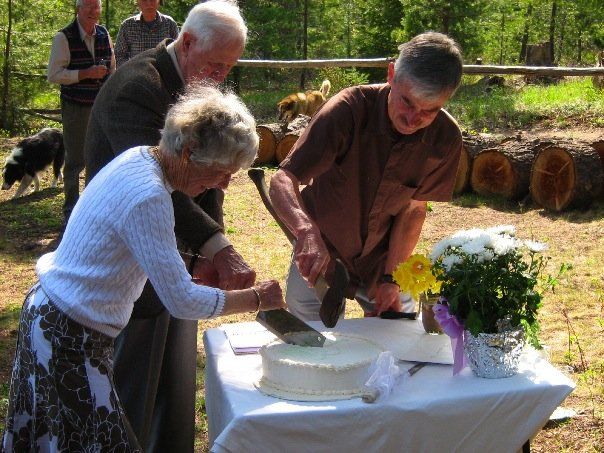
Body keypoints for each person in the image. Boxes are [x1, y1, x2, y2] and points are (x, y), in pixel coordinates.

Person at [2, 85, 285, 452]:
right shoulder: (150, 195)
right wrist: (257, 299)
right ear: (188, 152)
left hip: (54, 318)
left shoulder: (141, 157)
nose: (224, 183)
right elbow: (182, 302)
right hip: (68, 334)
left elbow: (129, 249)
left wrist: (192, 266)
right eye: (221, 171)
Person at [83, 2, 250, 451]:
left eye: (229, 68)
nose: (220, 76)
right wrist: (216, 248)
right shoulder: (136, 89)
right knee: (130, 392)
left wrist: (206, 252)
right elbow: (160, 188)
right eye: (216, 65)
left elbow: (212, 178)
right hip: (124, 266)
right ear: (188, 42)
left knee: (174, 392)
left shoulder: (200, 86)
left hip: (179, 261)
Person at [270, 32, 464, 321]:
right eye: (407, 103)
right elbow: (282, 180)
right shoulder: (346, 110)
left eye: (429, 111)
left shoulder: (445, 138)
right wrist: (306, 233)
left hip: (383, 257)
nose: (413, 120)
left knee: (395, 337)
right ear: (391, 74)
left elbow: (413, 212)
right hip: (322, 247)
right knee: (308, 334)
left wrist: (391, 279)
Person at [47, 0, 115, 222]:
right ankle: (71, 210)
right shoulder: (64, 37)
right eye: (88, 7)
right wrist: (85, 73)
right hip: (76, 106)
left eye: (97, 7)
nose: (93, 12)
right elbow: (54, 75)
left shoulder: (104, 34)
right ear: (78, 9)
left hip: (100, 107)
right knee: (75, 160)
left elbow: (112, 68)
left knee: (98, 158)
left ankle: (92, 208)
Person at [114, 0, 179, 67]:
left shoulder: (169, 24)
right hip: (136, 74)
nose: (149, 3)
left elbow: (178, 52)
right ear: (138, 2)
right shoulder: (127, 25)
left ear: (159, 2)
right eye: (144, 0)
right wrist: (130, 71)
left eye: (152, 0)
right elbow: (119, 54)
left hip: (164, 74)